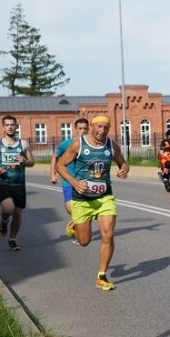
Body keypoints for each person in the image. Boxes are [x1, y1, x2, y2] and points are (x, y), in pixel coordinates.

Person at [55, 115, 129, 291]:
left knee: (108, 234)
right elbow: (60, 165)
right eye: (99, 127)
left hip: (104, 198)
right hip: (82, 199)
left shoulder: (111, 146)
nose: (102, 131)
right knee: (84, 241)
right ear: (92, 127)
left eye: (106, 128)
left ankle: (101, 276)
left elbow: (123, 163)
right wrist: (74, 183)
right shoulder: (78, 144)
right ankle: (74, 225)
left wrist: (124, 170)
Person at [0, 115, 36, 251]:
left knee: (18, 214)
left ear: (16, 126)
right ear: (3, 127)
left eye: (12, 125)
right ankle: (4, 221)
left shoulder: (23, 144)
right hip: (3, 182)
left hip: (19, 183)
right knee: (9, 208)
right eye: (7, 125)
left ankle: (12, 240)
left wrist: (25, 161)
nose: (10, 127)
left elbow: (32, 162)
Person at [49, 118, 89, 237]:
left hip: (85, 182)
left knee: (85, 210)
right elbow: (55, 157)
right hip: (69, 181)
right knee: (70, 206)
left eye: (85, 129)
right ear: (75, 129)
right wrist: (53, 174)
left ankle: (77, 226)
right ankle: (76, 224)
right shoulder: (66, 144)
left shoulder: (91, 145)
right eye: (80, 128)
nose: (83, 131)